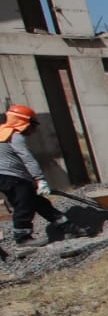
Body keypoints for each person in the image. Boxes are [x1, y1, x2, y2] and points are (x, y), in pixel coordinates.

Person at [0, 104, 83, 246]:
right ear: (24, 122)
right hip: (12, 177)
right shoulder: (14, 135)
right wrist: (40, 179)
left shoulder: (3, 132)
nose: (33, 130)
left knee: (39, 203)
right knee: (24, 205)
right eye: (32, 125)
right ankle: (22, 239)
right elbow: (27, 158)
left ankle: (69, 228)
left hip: (8, 177)